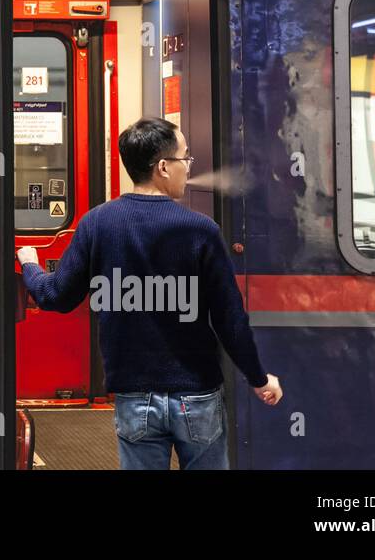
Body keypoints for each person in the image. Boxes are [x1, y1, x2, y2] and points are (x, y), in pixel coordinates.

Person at [17, 116, 282, 470]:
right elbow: (230, 318)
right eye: (185, 158)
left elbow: (57, 297)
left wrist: (29, 264)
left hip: (134, 397)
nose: (189, 168)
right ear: (162, 167)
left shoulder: (97, 223)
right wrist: (258, 378)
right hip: (197, 395)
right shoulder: (201, 229)